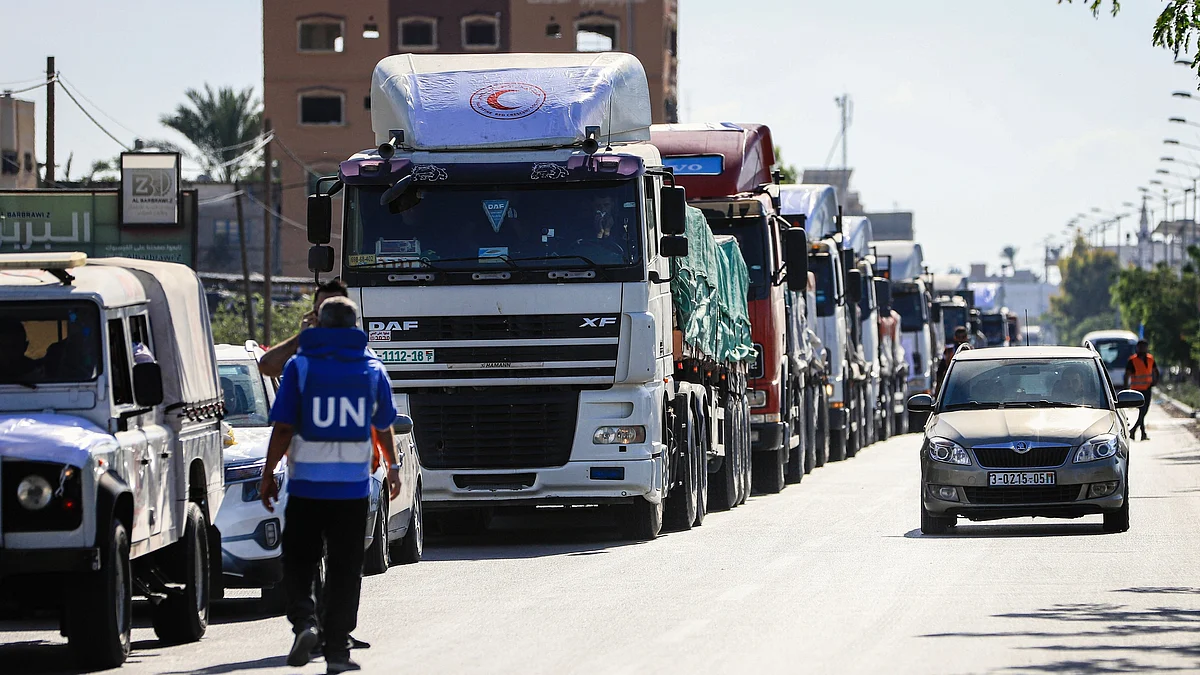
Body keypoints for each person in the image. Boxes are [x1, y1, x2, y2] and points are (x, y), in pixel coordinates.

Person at [260, 297, 400, 674]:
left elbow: (284, 427)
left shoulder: (300, 366)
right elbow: (383, 423)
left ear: (320, 326)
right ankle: (337, 650)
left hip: (306, 488)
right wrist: (393, 467)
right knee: (345, 569)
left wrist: (268, 473)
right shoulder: (372, 369)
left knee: (299, 560)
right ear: (355, 328)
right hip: (351, 490)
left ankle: (305, 623)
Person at [259, 278, 349, 379]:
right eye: (323, 310)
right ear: (313, 313)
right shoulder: (303, 356)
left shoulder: (358, 350)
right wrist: (302, 337)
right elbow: (266, 366)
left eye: (335, 311)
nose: (329, 316)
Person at [1124, 339, 1159, 441]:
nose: (1142, 349)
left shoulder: (1150, 359)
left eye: (1144, 347)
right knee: (1142, 411)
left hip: (1147, 388)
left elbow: (1155, 371)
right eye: (1140, 347)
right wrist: (1126, 389)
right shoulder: (1132, 360)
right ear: (1137, 348)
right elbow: (1127, 375)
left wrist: (1155, 381)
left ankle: (1136, 431)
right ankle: (1140, 432)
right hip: (1137, 390)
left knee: (1144, 411)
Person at [0, 319, 42, 384]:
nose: (9, 352)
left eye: (14, 347)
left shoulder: (37, 374)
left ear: (25, 346)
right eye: (3, 347)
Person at [936, 326, 969, 392]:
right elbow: (940, 371)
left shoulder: (972, 352)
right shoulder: (948, 351)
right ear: (955, 338)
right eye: (958, 337)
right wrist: (938, 389)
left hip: (967, 383)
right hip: (952, 384)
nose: (961, 340)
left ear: (966, 337)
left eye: (963, 337)